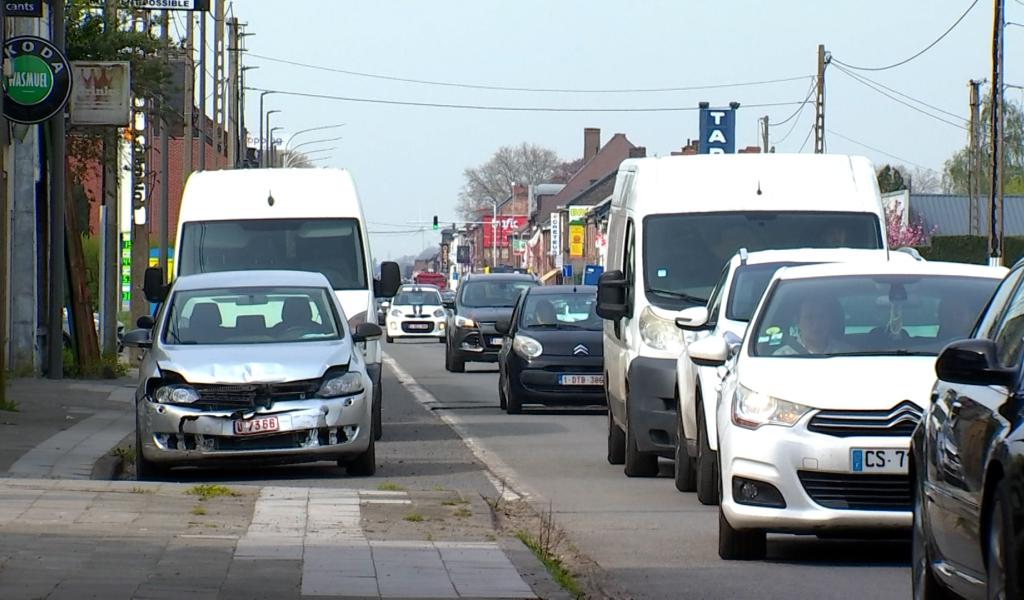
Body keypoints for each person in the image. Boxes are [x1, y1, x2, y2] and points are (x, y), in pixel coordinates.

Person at [773, 296, 849, 356]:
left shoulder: (847, 353)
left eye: (821, 317)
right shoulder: (782, 357)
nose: (816, 324)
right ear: (797, 322)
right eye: (809, 318)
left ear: (829, 320)